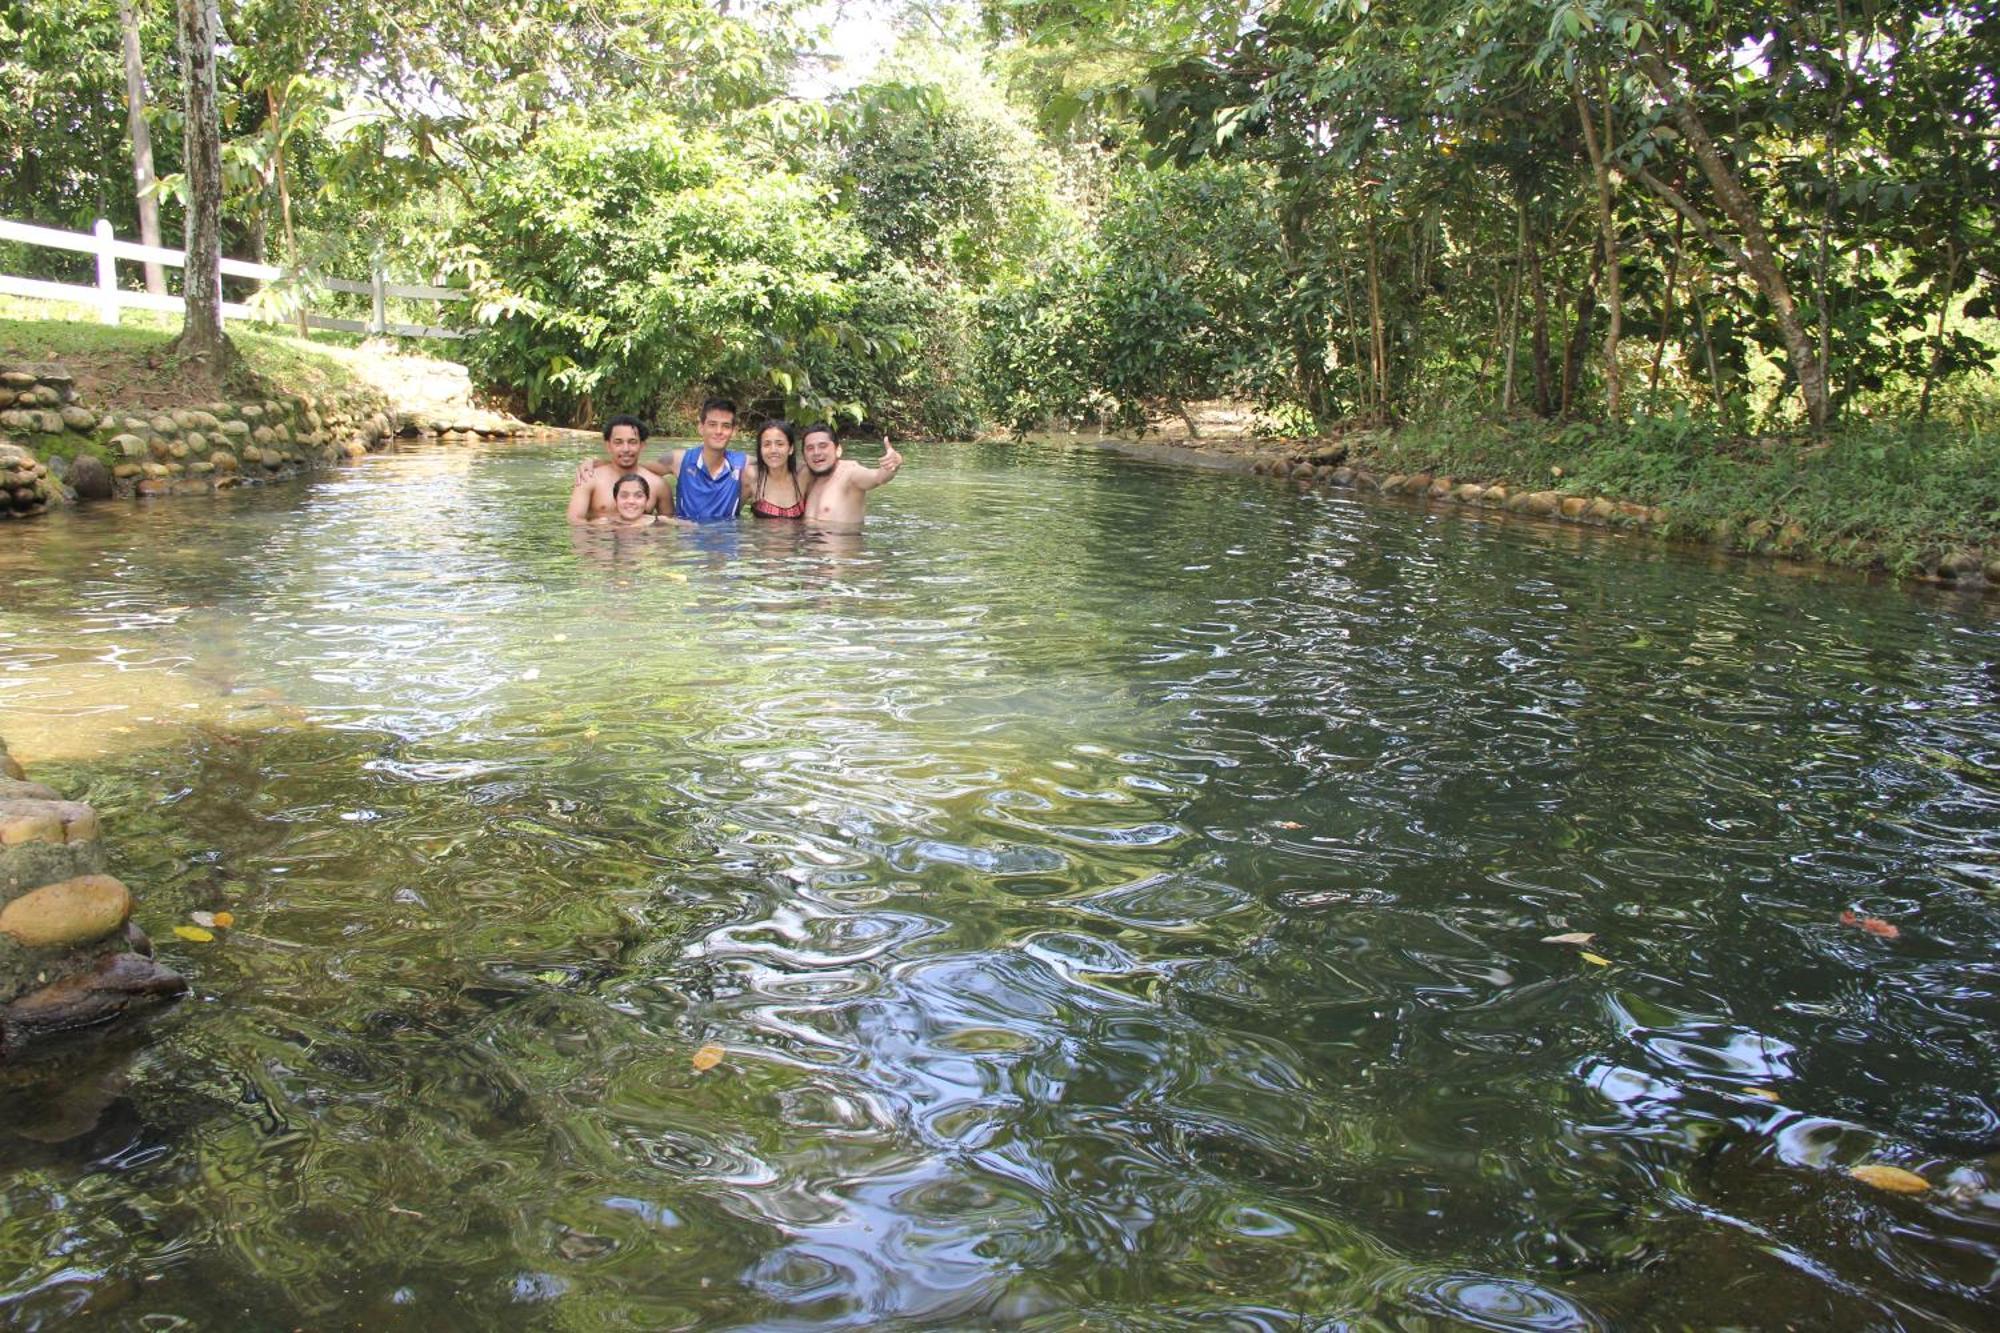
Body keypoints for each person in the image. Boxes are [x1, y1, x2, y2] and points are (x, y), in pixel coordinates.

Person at [579, 398, 744, 522]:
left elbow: (768, 466)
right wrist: (598, 463)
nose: (719, 431)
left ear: (734, 431)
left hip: (727, 537)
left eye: (726, 426)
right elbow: (636, 465)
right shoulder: (678, 460)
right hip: (687, 542)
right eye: (712, 424)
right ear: (701, 427)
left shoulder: (745, 466)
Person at [800, 423, 902, 527]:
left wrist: (894, 462)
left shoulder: (850, 473)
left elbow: (878, 477)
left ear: (838, 450)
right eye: (810, 448)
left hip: (843, 541)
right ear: (804, 455)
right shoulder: (806, 479)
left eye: (823, 446)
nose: (816, 452)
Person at [569, 415, 666, 520]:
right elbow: (575, 522)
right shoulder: (589, 479)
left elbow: (668, 527)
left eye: (632, 442)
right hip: (601, 536)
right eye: (618, 442)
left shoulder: (658, 485)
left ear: (642, 445)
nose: (626, 449)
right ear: (608, 446)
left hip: (641, 536)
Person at [741, 418, 807, 519]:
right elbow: (731, 514)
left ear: (791, 449)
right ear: (760, 449)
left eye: (780, 444)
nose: (773, 450)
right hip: (760, 534)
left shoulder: (805, 475)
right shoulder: (751, 476)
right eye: (767, 444)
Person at [588, 472, 664, 527]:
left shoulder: (661, 522)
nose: (631, 501)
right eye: (624, 496)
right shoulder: (603, 524)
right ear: (615, 499)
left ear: (647, 499)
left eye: (638, 496)